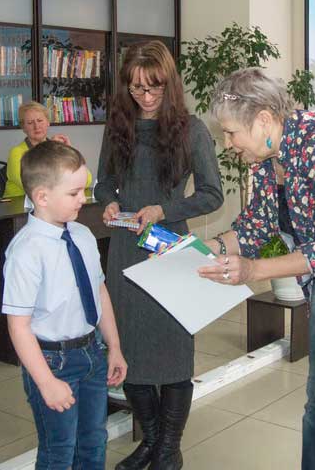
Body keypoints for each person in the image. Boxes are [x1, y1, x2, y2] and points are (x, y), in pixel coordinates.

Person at [199, 67, 315, 470]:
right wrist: (199, 251)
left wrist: (252, 271)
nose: (227, 144)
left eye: (231, 133)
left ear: (264, 120)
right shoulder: (266, 158)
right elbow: (255, 227)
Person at [94, 40, 223, 470]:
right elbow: (103, 181)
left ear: (169, 84)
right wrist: (109, 201)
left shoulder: (191, 129)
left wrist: (164, 210)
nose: (145, 96)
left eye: (154, 87)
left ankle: (170, 448)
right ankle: (151, 442)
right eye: (136, 88)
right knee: (128, 350)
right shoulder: (118, 126)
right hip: (126, 249)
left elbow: (212, 195)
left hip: (168, 247)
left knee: (173, 353)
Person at [2, 141, 127, 469]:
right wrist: (46, 382)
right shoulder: (26, 251)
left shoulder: (83, 235)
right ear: (42, 197)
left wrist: (114, 346)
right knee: (59, 450)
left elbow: (99, 292)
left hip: (92, 351)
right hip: (52, 361)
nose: (83, 199)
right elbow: (18, 326)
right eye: (73, 193)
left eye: (83, 190)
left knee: (94, 440)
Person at [4, 101, 70, 199]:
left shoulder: (58, 147)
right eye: (30, 123)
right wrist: (51, 149)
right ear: (23, 128)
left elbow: (86, 179)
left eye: (40, 120)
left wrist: (67, 153)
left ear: (48, 122)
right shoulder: (16, 152)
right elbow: (33, 185)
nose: (36, 126)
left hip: (50, 202)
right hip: (18, 205)